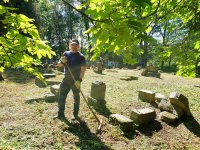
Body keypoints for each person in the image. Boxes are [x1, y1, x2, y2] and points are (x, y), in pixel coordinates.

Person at [55, 39, 86, 120]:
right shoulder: (66, 54)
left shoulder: (81, 56)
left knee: (76, 98)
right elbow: (59, 65)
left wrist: (79, 80)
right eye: (72, 45)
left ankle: (75, 115)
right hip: (66, 80)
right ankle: (60, 114)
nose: (74, 46)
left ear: (78, 46)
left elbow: (83, 69)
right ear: (70, 46)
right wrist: (62, 61)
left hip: (76, 81)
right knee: (62, 97)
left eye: (75, 45)